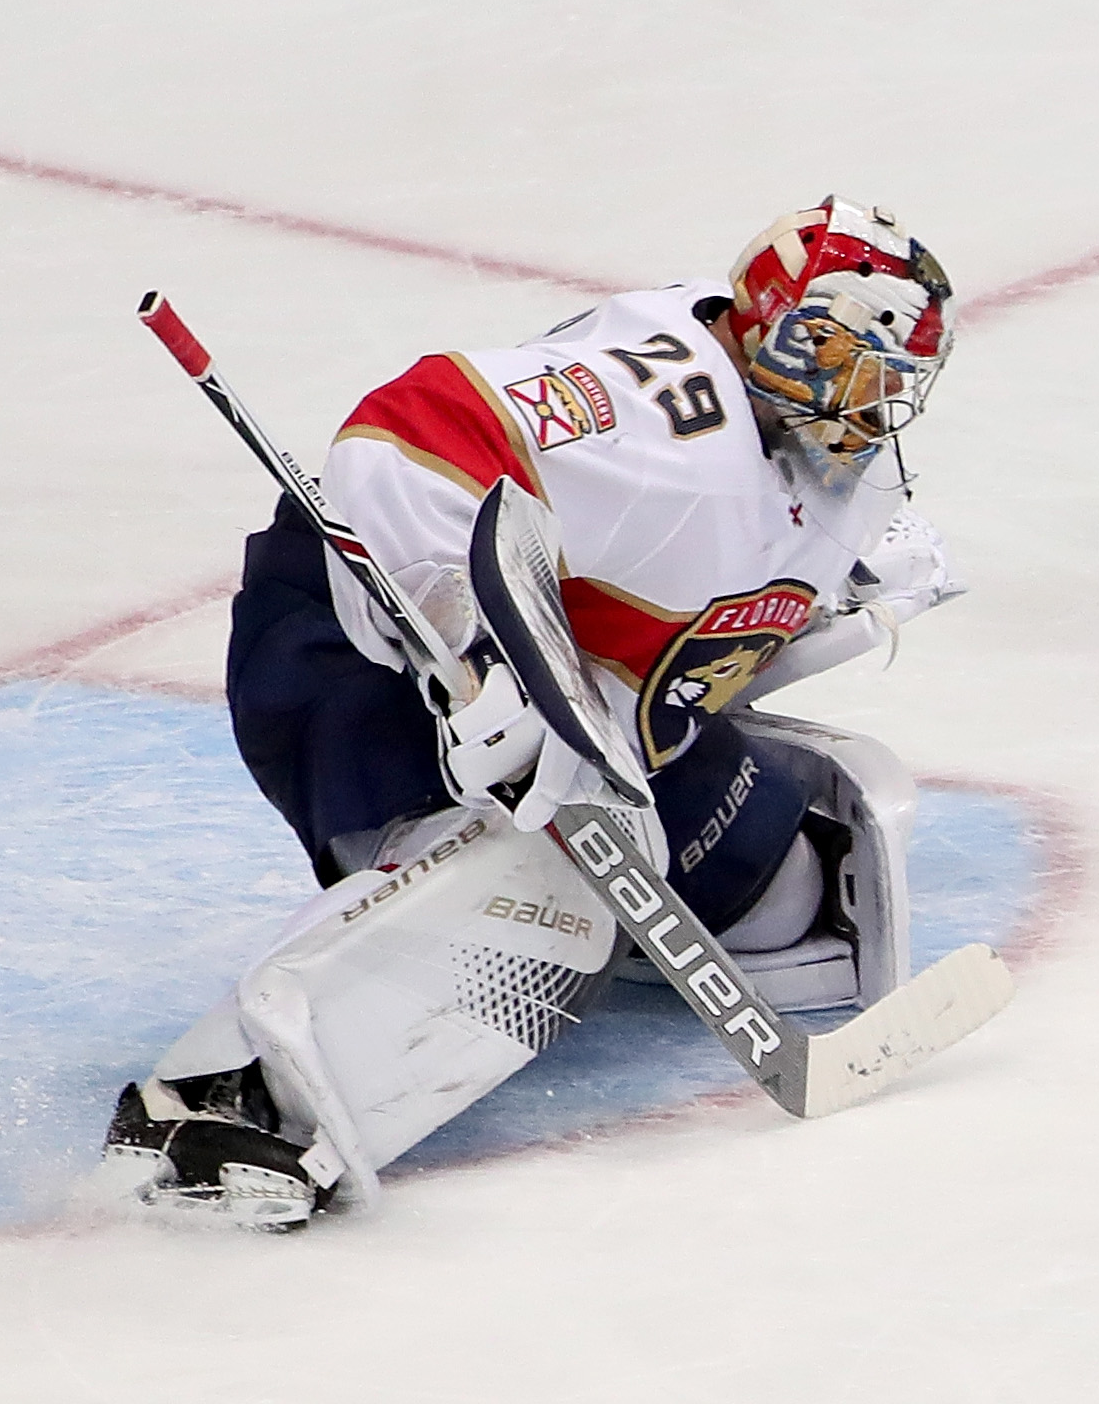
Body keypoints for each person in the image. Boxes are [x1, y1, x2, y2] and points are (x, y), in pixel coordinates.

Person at [101, 198, 963, 1229]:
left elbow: (707, 617)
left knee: (780, 902)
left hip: (597, 714)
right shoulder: (661, 402)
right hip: (365, 656)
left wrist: (844, 589)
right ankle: (213, 1103)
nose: (874, 408)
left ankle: (575, 905)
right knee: (521, 906)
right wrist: (475, 655)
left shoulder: (825, 462)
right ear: (783, 329)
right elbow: (408, 433)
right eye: (857, 368)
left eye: (895, 384)